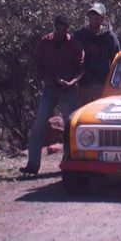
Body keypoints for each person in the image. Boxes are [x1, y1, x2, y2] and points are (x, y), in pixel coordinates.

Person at [20, 14, 83, 176]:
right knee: (39, 125)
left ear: (68, 28)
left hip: (68, 90)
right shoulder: (44, 42)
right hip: (50, 89)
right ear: (55, 27)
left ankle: (71, 163)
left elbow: (82, 68)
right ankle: (32, 166)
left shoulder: (74, 45)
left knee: (70, 127)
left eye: (64, 28)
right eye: (58, 28)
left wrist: (72, 81)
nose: (61, 31)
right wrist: (49, 79)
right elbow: (38, 65)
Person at [73, 2, 120, 106]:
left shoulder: (109, 37)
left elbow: (116, 61)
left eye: (96, 18)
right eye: (91, 17)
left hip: (102, 84)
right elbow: (72, 57)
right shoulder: (80, 35)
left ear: (102, 18)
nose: (93, 21)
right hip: (83, 84)